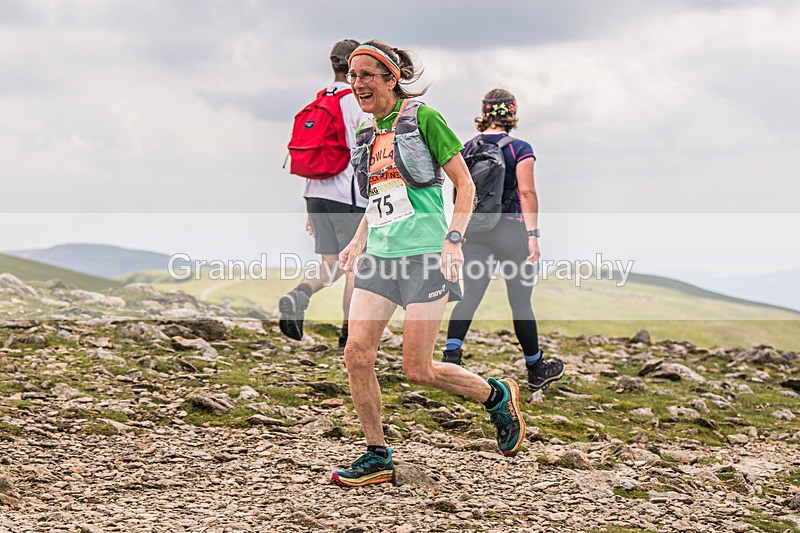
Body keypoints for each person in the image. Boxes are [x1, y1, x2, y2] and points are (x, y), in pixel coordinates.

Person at [330, 41, 526, 488]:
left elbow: (465, 185)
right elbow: (380, 196)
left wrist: (454, 241)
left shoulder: (424, 119)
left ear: (392, 78)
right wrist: (358, 241)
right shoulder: (368, 132)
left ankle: (496, 396)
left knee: (418, 370)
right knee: (356, 352)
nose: (357, 83)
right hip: (380, 258)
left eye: (366, 75)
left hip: (425, 257)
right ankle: (377, 454)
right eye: (352, 75)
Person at [443, 89, 565, 393]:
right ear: (511, 113)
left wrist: (458, 231)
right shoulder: (520, 148)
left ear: (485, 113)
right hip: (511, 231)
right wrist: (533, 235)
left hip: (475, 230)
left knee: (470, 294)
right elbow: (527, 192)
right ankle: (536, 368)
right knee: (520, 301)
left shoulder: (467, 148)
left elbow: (459, 190)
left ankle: (451, 360)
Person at [279, 39, 369, 348]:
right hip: (348, 196)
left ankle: (298, 295)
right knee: (356, 266)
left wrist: (311, 210)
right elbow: (364, 151)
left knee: (331, 263)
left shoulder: (320, 99)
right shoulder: (354, 102)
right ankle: (349, 337)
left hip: (315, 194)